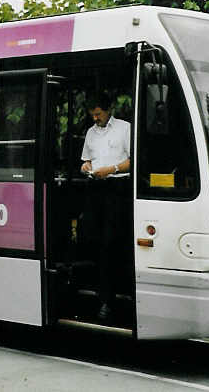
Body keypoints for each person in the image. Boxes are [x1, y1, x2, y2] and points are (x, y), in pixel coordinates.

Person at [80, 94, 130, 321]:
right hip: (94, 188)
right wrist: (86, 166)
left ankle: (109, 299)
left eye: (99, 113)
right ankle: (98, 292)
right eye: (93, 114)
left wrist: (111, 170)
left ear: (109, 109)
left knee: (110, 243)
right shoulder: (91, 132)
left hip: (116, 189)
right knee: (91, 239)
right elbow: (85, 160)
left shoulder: (124, 128)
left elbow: (134, 160)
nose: (95, 117)